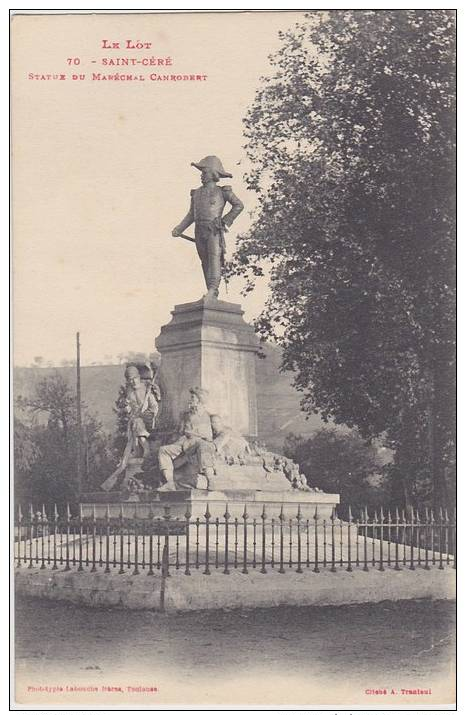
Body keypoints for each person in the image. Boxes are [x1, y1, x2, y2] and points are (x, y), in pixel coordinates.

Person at [172, 156, 244, 300]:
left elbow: (239, 205)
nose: (202, 176)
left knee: (214, 259)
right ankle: (210, 291)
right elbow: (191, 214)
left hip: (214, 229)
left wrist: (224, 221)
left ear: (213, 174)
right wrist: (179, 228)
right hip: (199, 230)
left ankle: (213, 289)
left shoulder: (223, 192)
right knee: (205, 260)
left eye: (204, 172)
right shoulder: (196, 193)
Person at [158, 387, 217, 491]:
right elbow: (179, 431)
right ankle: (170, 483)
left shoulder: (206, 416)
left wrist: (190, 433)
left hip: (198, 443)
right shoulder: (186, 415)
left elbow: (207, 436)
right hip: (184, 443)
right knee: (163, 450)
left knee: (204, 447)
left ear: (200, 400)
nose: (190, 400)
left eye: (193, 398)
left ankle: (211, 480)